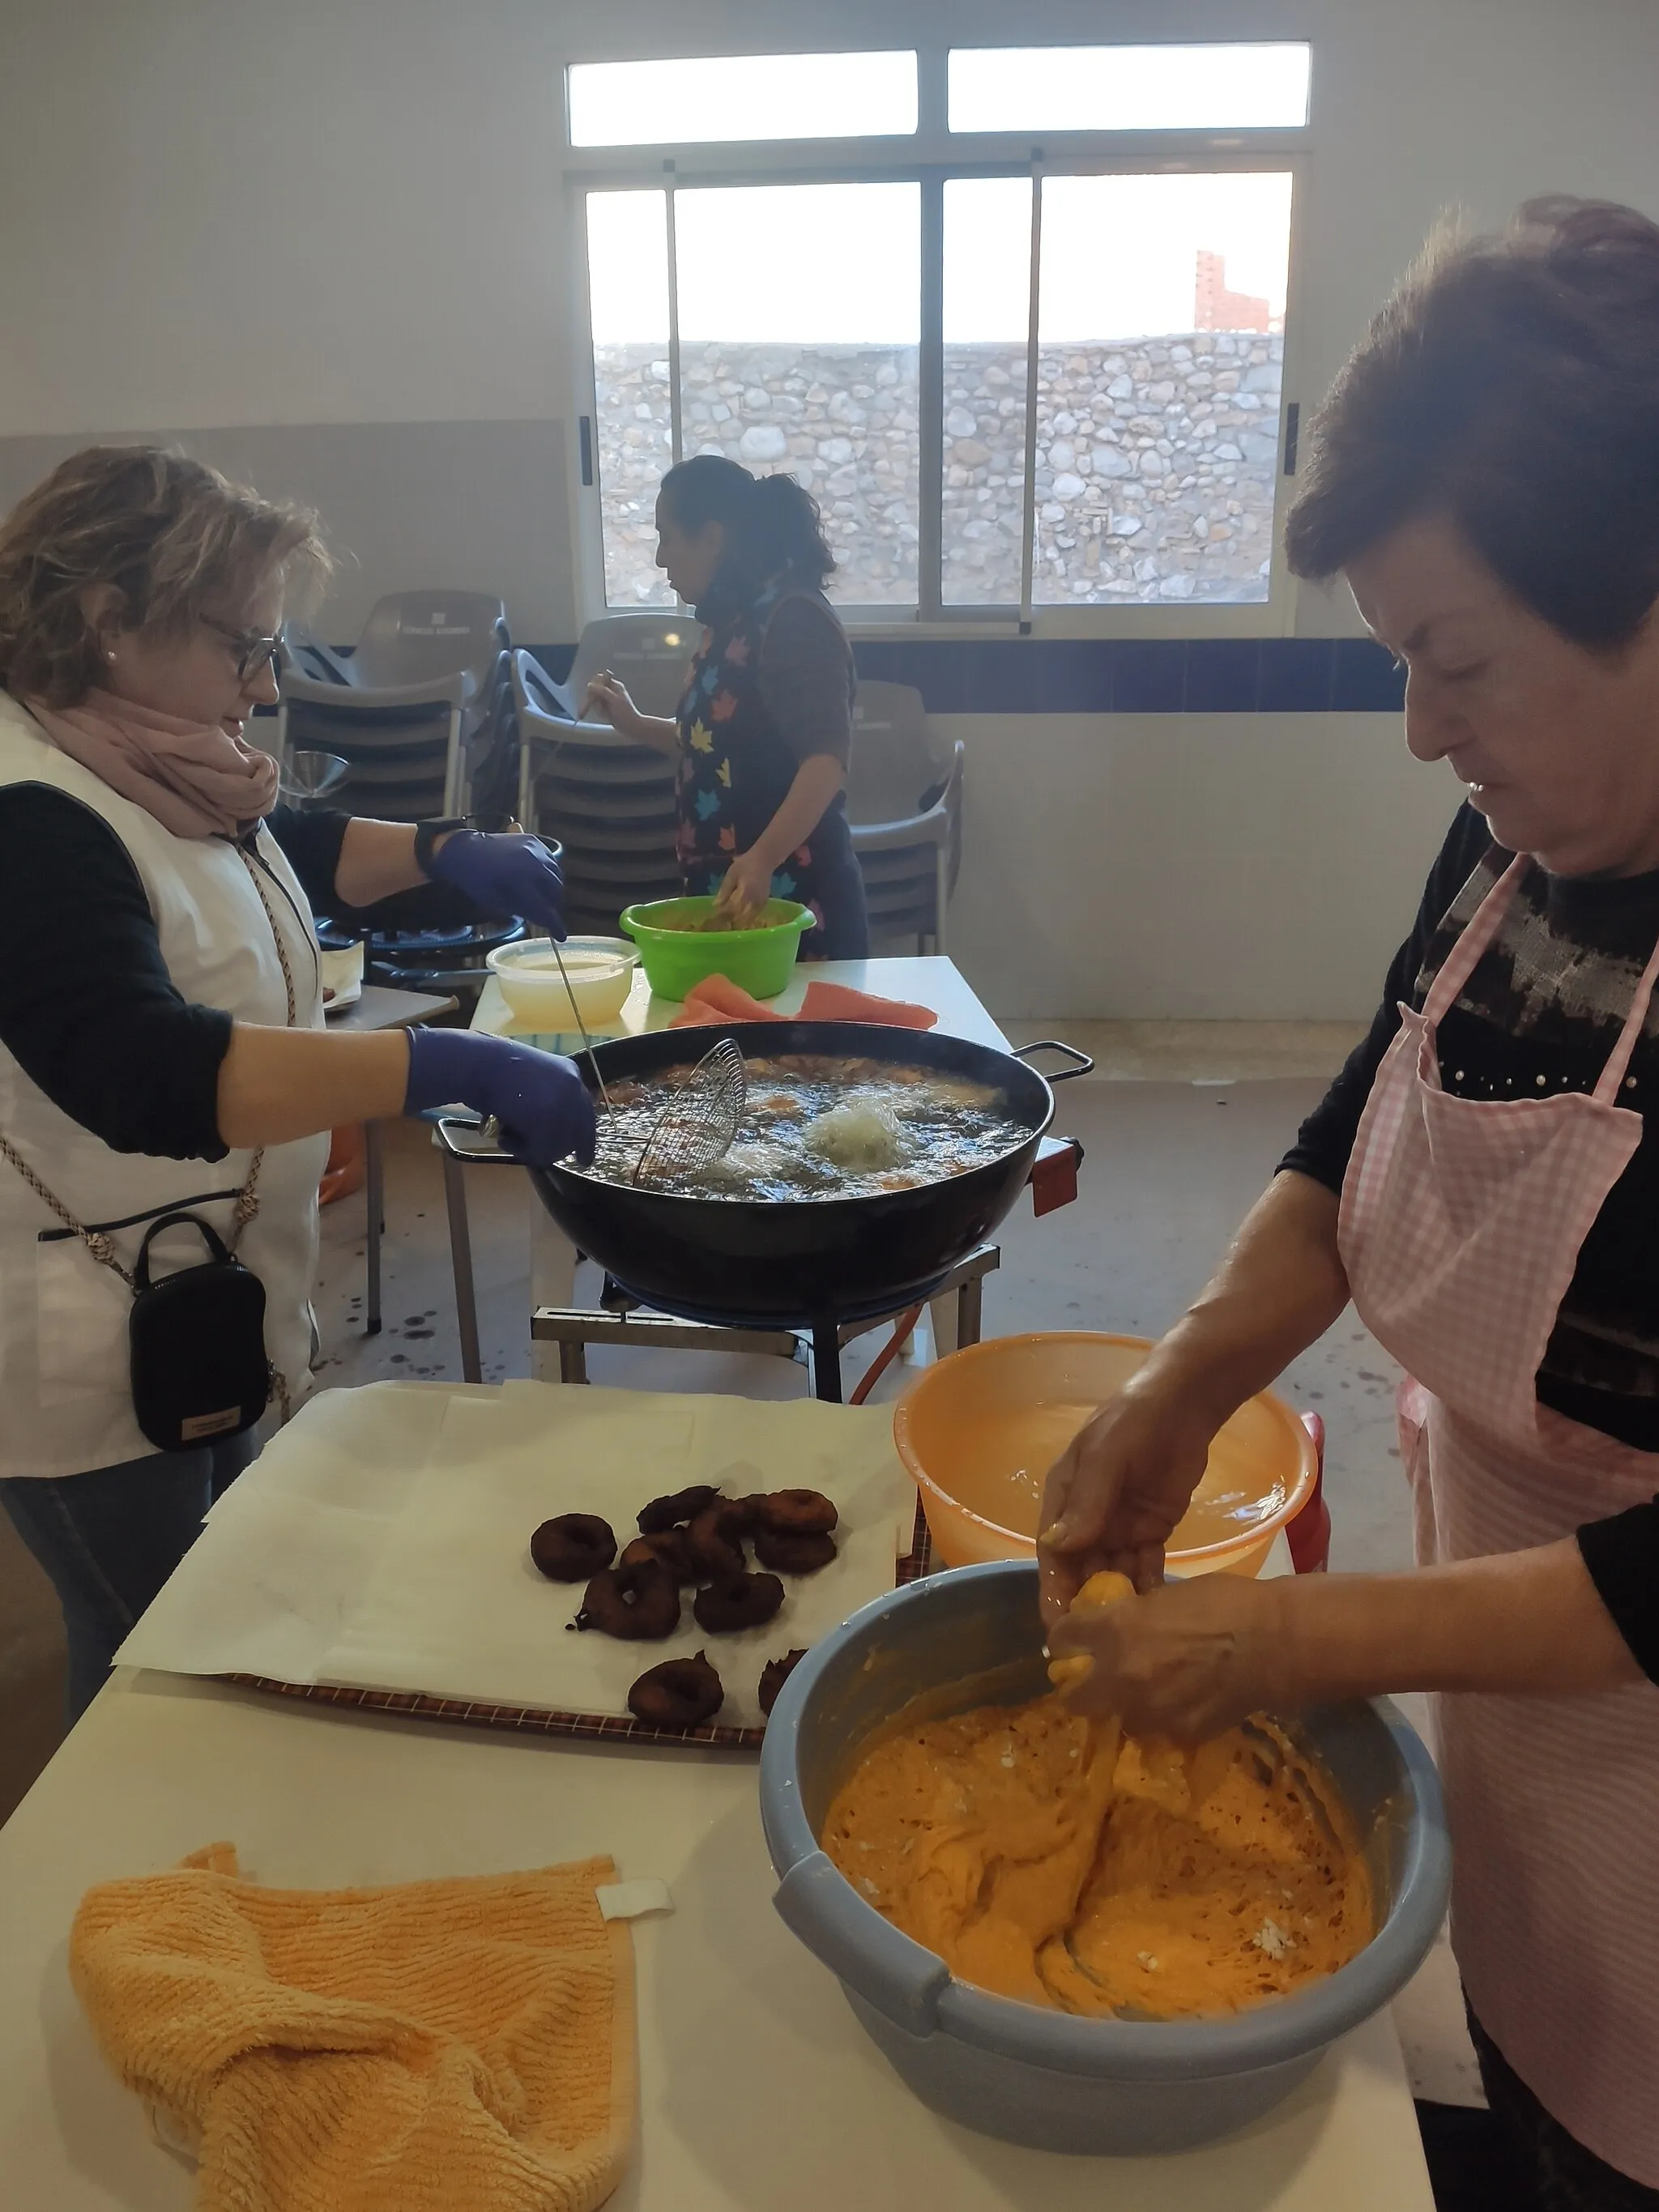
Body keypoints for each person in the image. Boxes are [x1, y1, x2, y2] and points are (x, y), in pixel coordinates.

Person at [1039, 199, 1659, 2210]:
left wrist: (1281, 1646)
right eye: (1399, 662)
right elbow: (1345, 1134)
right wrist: (1178, 1380)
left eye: (1455, 659)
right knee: (1532, 2059)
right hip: (1523, 1713)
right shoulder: (1509, 846)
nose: (1418, 729)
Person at [0, 446, 596, 1721]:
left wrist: (447, 849)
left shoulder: (149, 755)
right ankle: (135, 1887)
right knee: (154, 1647)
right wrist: (430, 1062)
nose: (270, 686)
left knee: (222, 1591)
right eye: (243, 647)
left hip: (198, 1282)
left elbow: (286, 854)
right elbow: (138, 1067)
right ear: (109, 621)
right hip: (85, 1327)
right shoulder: (29, 815)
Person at [581, 455, 869, 960]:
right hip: (738, 898)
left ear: (712, 538)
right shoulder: (732, 620)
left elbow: (826, 762)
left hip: (796, 904)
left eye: (667, 537)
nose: (659, 558)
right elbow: (721, 744)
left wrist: (761, 859)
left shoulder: (793, 619)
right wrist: (634, 723)